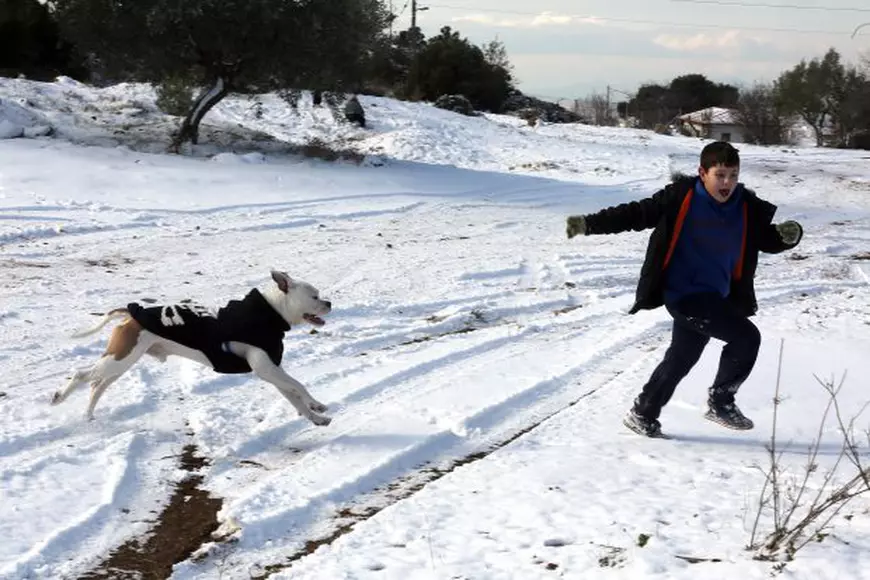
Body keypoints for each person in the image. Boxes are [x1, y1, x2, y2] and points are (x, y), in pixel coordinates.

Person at [565, 141, 803, 437]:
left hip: (716, 296)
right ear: (702, 172)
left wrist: (787, 237)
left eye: (733, 175)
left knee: (682, 357)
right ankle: (721, 400)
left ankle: (643, 413)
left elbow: (766, 240)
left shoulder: (745, 207)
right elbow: (635, 214)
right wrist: (588, 224)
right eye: (720, 175)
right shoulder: (680, 198)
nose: (727, 182)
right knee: (746, 337)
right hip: (684, 295)